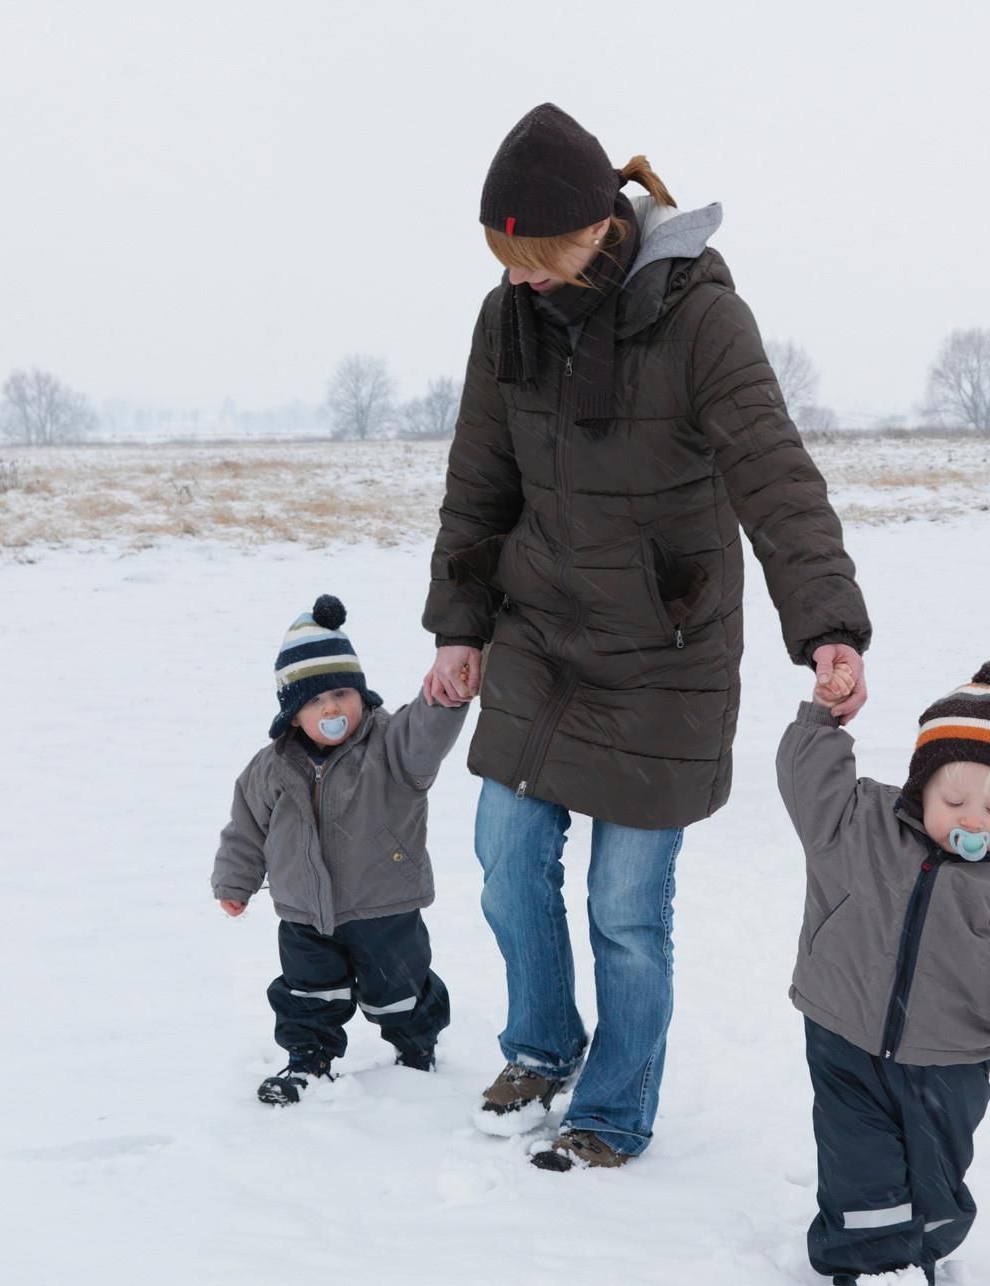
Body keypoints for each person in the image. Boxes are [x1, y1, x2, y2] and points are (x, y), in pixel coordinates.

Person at [423, 102, 873, 1170]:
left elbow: (774, 473)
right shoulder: (508, 317)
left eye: (536, 260)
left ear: (595, 229)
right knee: (505, 860)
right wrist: (460, 625)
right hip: (541, 632)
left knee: (624, 907)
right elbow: (479, 482)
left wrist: (827, 625)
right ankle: (541, 1045)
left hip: (666, 650)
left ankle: (614, 1106)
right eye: (505, 261)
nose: (520, 279)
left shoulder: (699, 318)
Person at [777, 660, 990, 1284]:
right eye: (954, 801)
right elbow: (809, 786)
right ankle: (873, 1267)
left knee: (936, 1177)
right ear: (921, 787)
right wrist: (823, 719)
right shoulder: (861, 825)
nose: (973, 820)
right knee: (858, 1165)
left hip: (950, 1061)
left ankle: (922, 1248)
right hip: (844, 1036)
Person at [213, 595, 466, 1105]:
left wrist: (444, 700)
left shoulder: (392, 746)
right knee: (307, 992)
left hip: (384, 906)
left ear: (361, 695)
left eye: (341, 693)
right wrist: (235, 881)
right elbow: (246, 829)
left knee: (399, 990)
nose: (330, 708)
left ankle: (416, 1050)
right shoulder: (270, 767)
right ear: (292, 715)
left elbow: (426, 734)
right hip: (304, 912)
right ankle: (308, 1059)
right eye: (314, 701)